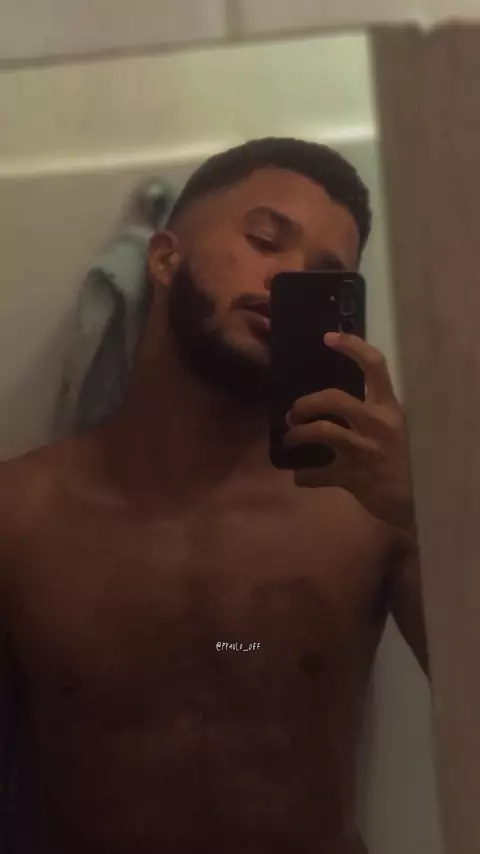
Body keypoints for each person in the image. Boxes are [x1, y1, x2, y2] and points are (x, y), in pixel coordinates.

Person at [0, 138, 426, 854]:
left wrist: (434, 511)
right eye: (264, 240)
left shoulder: (369, 510)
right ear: (164, 259)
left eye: (324, 278)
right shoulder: (20, 517)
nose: (289, 278)